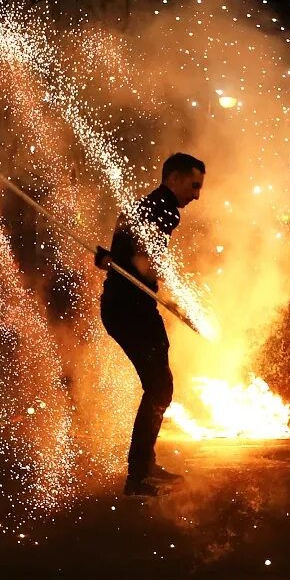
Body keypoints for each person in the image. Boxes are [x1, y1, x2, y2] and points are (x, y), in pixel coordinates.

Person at [96, 153, 204, 497]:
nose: (197, 194)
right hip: (130, 308)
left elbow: (132, 252)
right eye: (194, 184)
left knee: (160, 384)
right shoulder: (165, 207)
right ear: (174, 178)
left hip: (128, 305)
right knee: (159, 387)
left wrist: (115, 260)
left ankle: (145, 466)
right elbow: (144, 259)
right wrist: (164, 286)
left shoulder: (145, 205)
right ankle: (138, 477)